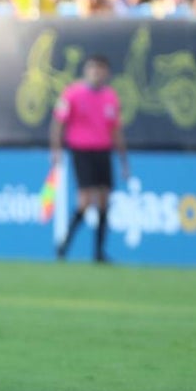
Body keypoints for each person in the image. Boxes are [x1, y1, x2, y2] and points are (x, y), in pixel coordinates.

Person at [49, 54, 128, 263]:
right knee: (85, 201)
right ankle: (63, 246)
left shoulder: (111, 97)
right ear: (86, 70)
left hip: (103, 152)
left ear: (107, 73)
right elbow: (58, 123)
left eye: (100, 69)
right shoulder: (72, 94)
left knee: (104, 201)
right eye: (92, 68)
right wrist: (56, 150)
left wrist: (123, 161)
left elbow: (116, 131)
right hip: (81, 151)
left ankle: (99, 253)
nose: (96, 72)